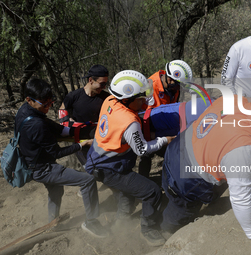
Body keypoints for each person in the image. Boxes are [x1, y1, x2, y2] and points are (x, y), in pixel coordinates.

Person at [160, 95, 251, 251]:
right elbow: (240, 197)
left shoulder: (238, 99)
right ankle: (169, 230)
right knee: (183, 207)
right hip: (187, 178)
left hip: (179, 146)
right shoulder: (242, 149)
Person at [85, 70, 175, 246]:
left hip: (98, 160)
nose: (145, 100)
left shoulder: (110, 100)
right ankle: (148, 229)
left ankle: (122, 222)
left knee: (128, 191)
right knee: (152, 192)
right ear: (128, 99)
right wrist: (165, 140)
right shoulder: (129, 122)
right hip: (109, 168)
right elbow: (142, 149)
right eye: (141, 98)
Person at [16, 78, 108, 237]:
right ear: (29, 100)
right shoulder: (36, 125)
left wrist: (73, 131)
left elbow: (50, 124)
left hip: (32, 162)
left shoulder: (26, 111)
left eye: (50, 103)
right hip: (43, 169)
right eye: (44, 104)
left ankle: (53, 222)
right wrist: (81, 144)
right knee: (87, 180)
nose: (47, 107)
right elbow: (57, 153)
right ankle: (92, 222)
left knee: (56, 191)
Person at [139, 60, 193, 177]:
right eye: (178, 85)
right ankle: (144, 181)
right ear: (170, 79)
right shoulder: (149, 86)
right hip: (147, 124)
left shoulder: (174, 88)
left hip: (165, 123)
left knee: (174, 151)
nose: (179, 88)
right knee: (147, 155)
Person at [59, 64, 110, 171]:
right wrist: (69, 122)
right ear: (91, 80)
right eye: (102, 84)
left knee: (105, 169)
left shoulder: (106, 97)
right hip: (81, 143)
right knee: (90, 170)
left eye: (105, 84)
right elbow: (62, 111)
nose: (104, 87)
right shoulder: (73, 96)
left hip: (100, 141)